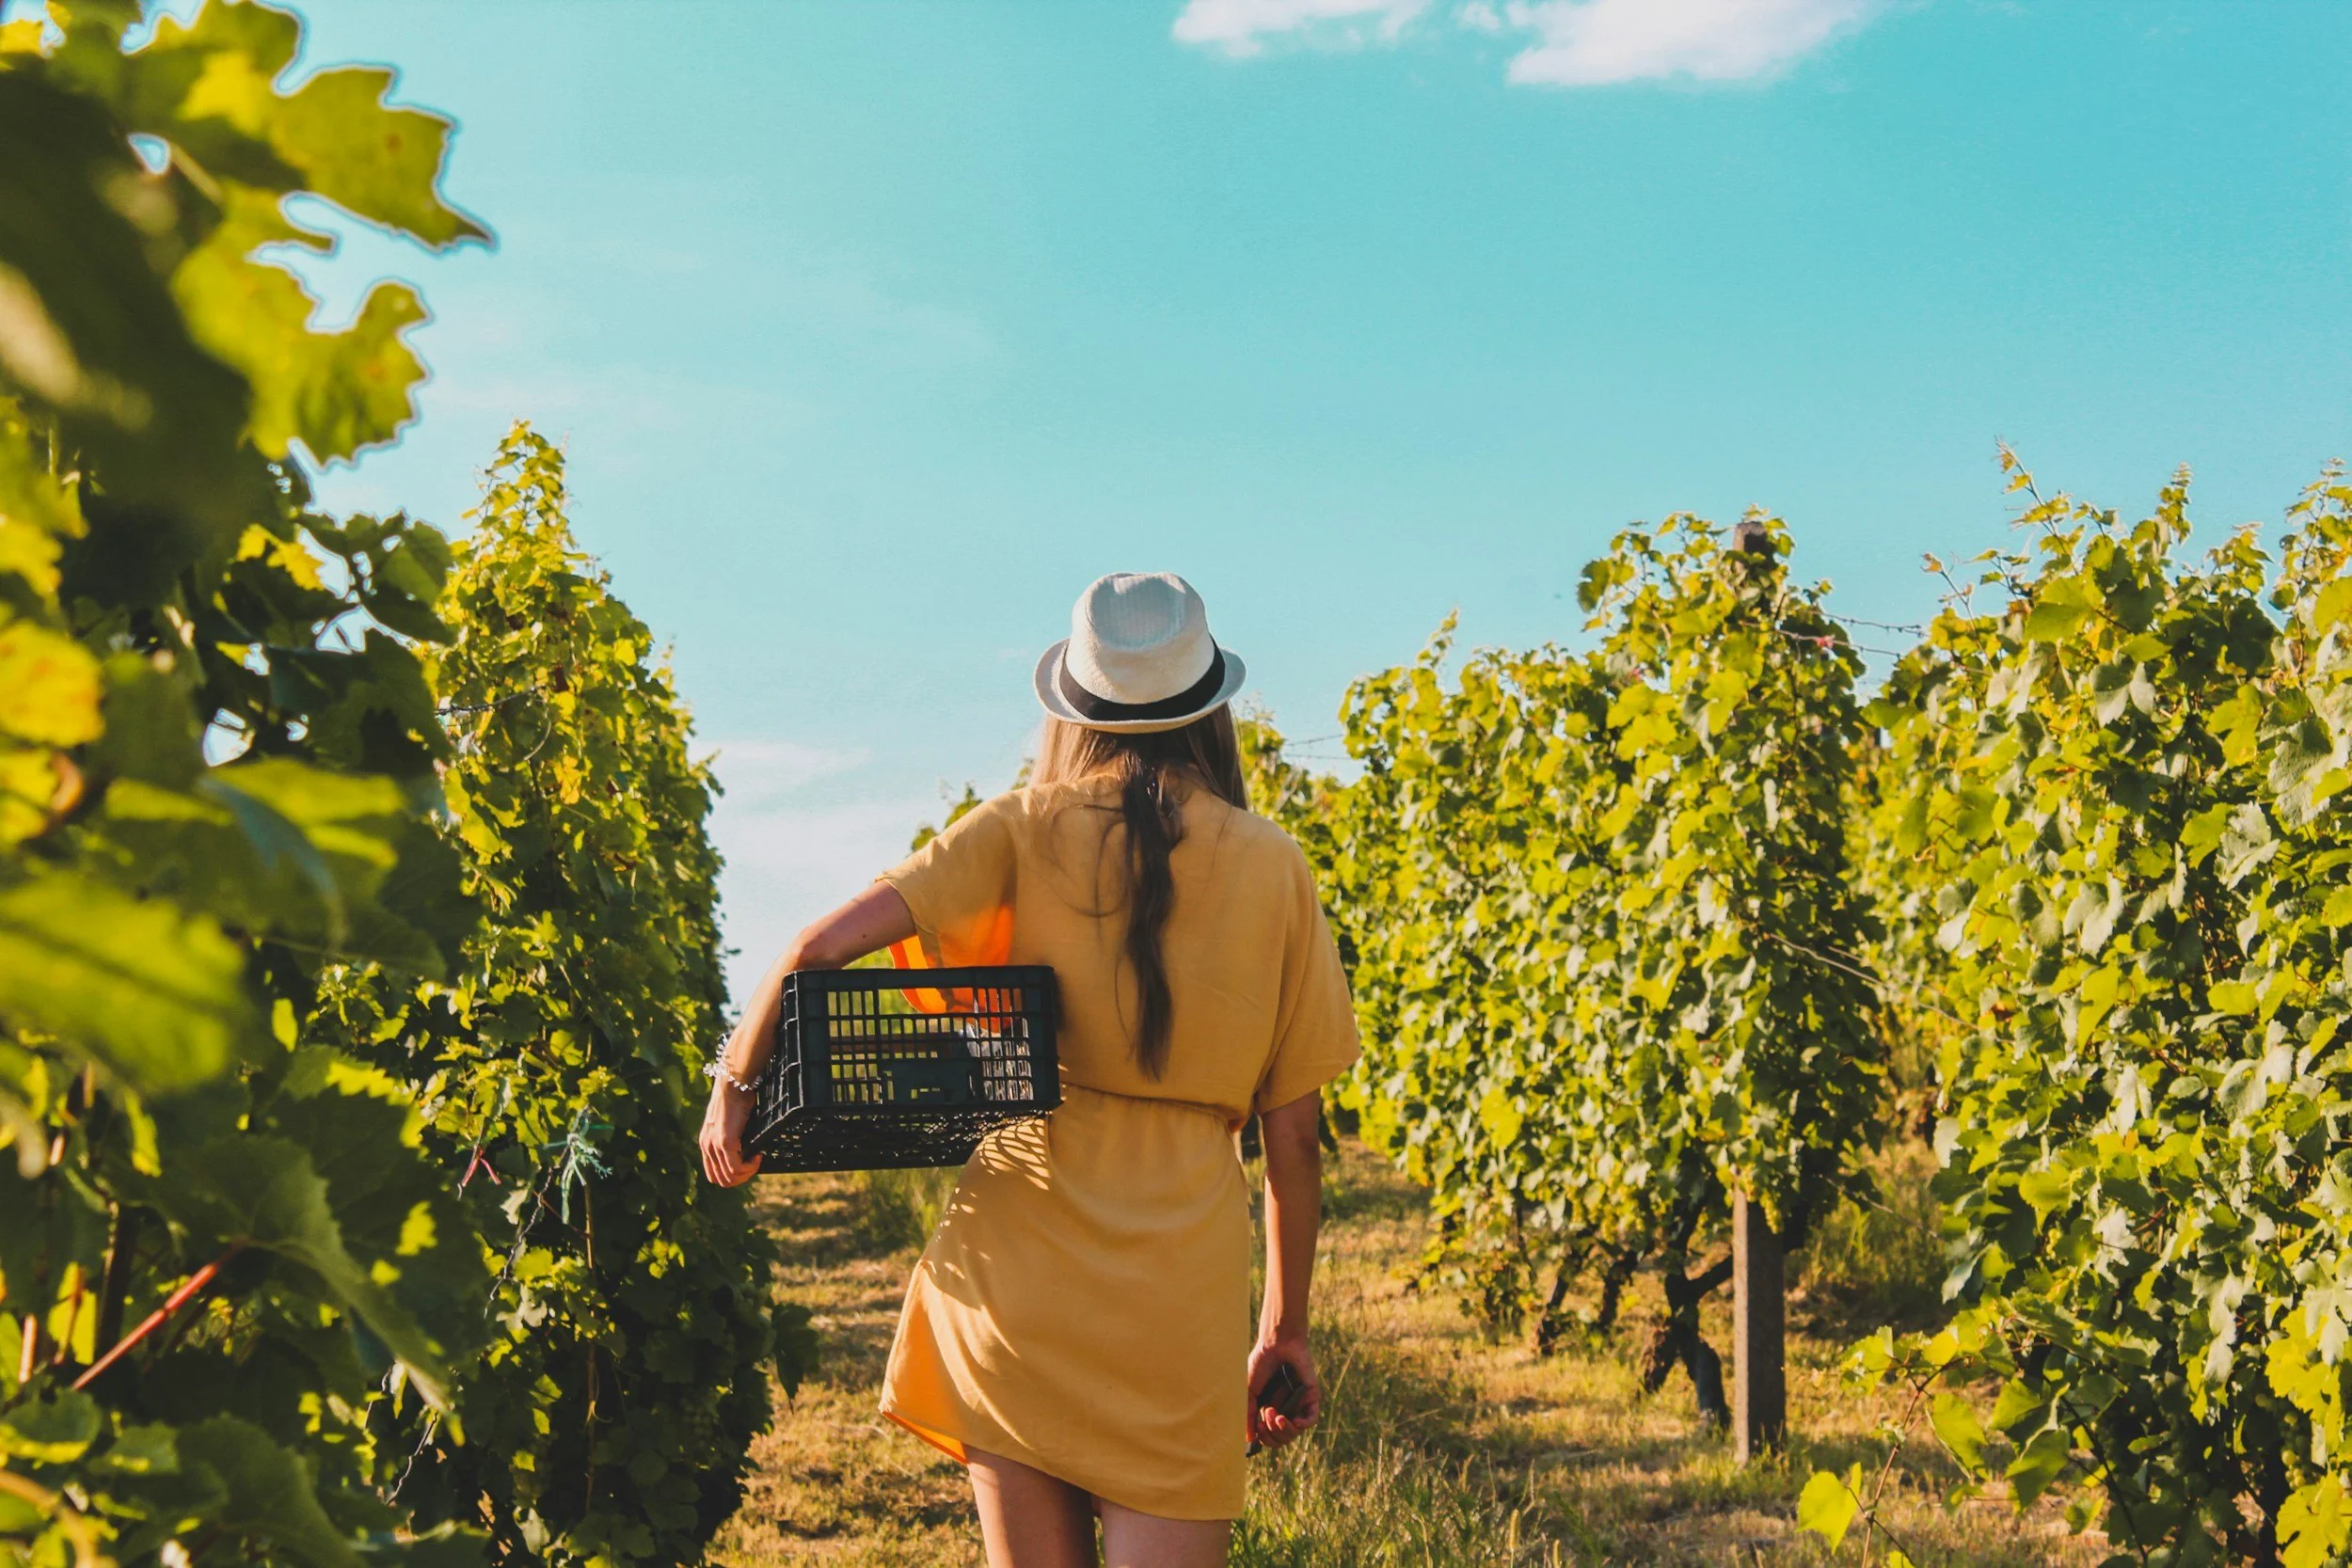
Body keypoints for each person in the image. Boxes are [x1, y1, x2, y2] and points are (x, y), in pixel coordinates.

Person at [700, 571, 1360, 1568]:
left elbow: (814, 947)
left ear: (1078, 705)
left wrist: (735, 1085)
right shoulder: (1274, 865)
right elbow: (1295, 1138)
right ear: (1206, 707)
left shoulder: (1017, 823)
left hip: (1014, 1274)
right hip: (1175, 1300)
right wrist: (1284, 1327)